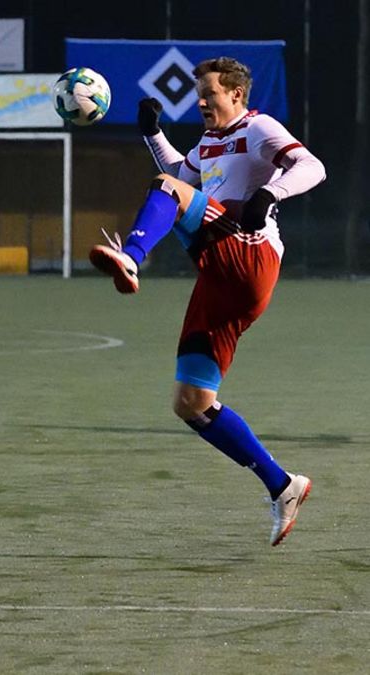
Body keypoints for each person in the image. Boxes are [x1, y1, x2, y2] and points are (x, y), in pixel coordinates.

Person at [89, 57, 326, 546]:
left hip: (251, 253)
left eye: (209, 93)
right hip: (221, 280)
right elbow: (183, 173)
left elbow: (312, 166)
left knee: (166, 192)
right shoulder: (210, 141)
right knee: (191, 403)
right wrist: (152, 134)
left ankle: (132, 257)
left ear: (236, 95)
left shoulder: (258, 126)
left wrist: (271, 193)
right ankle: (283, 486)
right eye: (199, 94)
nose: (201, 101)